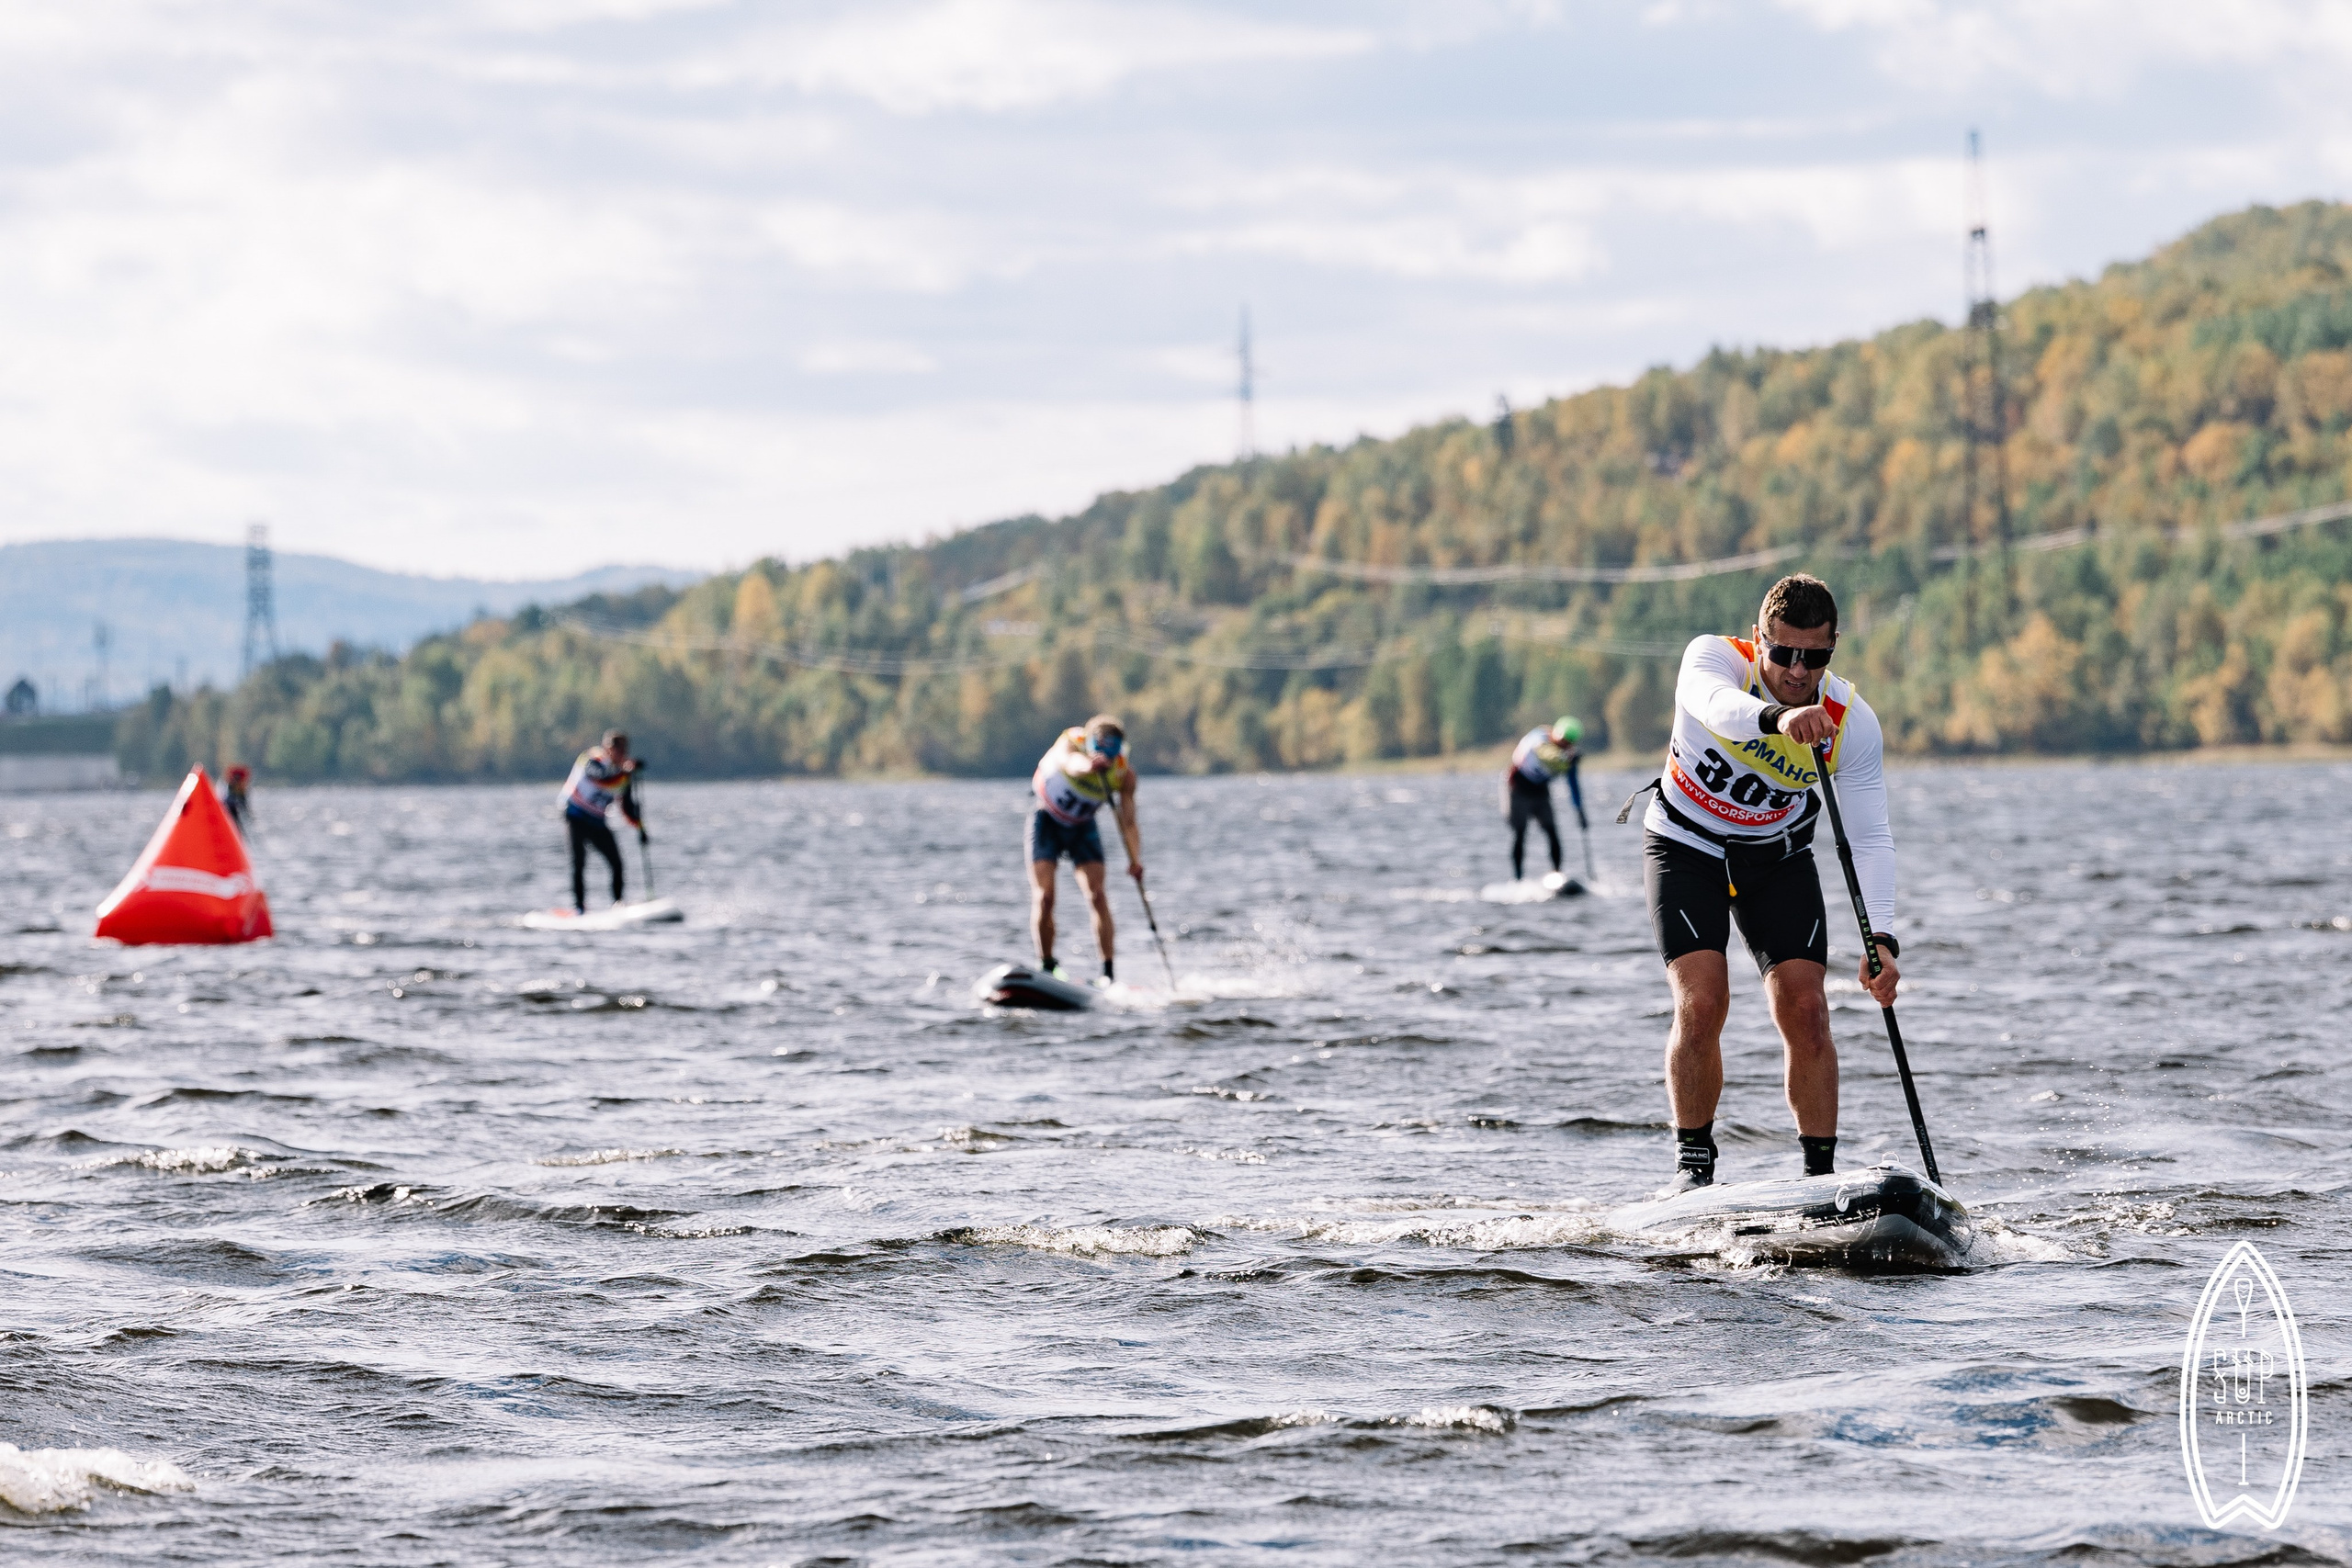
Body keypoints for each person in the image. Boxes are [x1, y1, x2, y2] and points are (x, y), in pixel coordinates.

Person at [1626, 573, 1898, 1191]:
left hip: (1774, 856)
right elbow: (1719, 708)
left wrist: (1881, 936)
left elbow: (1870, 836)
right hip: (1685, 845)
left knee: (1808, 1009)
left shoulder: (1850, 723)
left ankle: (1819, 1180)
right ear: (1758, 641)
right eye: (1783, 653)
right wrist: (1779, 719)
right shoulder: (1714, 658)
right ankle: (1693, 1170)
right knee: (1703, 1002)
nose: (1799, 671)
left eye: (1817, 657)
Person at [1027, 714, 1143, 984]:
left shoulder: (1124, 774)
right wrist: (1090, 766)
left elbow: (1129, 823)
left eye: (1113, 751)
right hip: (1047, 821)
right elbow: (1070, 762)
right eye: (1101, 749)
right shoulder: (1071, 742)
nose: (1108, 756)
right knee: (1045, 897)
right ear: (1088, 743)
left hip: (1082, 827)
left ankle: (1107, 973)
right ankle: (1047, 965)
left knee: (1098, 896)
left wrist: (1136, 861)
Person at [560, 730, 641, 914]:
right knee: (579, 863)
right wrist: (625, 772)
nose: (620, 754)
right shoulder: (591, 759)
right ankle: (579, 908)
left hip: (596, 821)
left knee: (616, 862)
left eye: (623, 751)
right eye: (616, 750)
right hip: (575, 816)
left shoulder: (622, 775)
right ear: (607, 748)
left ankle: (618, 903)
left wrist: (640, 825)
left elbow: (627, 808)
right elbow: (601, 777)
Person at [1502, 716, 1584, 880]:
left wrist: (1580, 810)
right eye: (1562, 742)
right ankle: (1518, 879)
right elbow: (1547, 755)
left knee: (1552, 832)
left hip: (1540, 791)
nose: (1563, 746)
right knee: (1520, 833)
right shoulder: (1538, 737)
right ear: (1555, 734)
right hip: (1518, 788)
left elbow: (1573, 784)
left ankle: (1557, 875)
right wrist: (1566, 759)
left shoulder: (1567, 757)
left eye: (1567, 744)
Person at [219, 765, 253, 835]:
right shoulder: (227, 793)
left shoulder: (241, 794)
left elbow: (245, 807)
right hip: (227, 814)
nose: (246, 785)